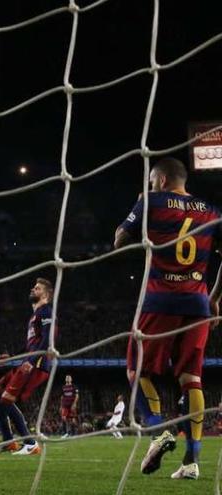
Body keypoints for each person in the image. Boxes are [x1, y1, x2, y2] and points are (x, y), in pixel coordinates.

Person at [114, 157, 222, 479]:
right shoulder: (212, 211)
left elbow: (119, 239)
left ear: (160, 181)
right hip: (197, 304)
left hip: (160, 299)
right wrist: (215, 299)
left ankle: (157, 429)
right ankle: (192, 462)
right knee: (191, 378)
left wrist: (139, 209)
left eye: (151, 182)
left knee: (136, 369)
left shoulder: (152, 200)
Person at [0, 278, 56, 456]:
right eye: (33, 286)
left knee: (6, 400)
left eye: (38, 288)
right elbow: (30, 345)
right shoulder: (35, 315)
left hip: (37, 364)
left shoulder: (47, 311)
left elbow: (47, 340)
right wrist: (12, 356)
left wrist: (31, 362)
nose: (33, 289)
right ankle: (8, 441)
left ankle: (31, 443)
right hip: (26, 361)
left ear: (46, 294)